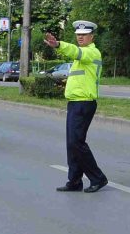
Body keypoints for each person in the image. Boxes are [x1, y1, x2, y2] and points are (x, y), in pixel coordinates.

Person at [44, 20, 109, 193]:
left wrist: (58, 44)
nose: (80, 37)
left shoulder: (92, 52)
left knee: (76, 143)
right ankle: (74, 181)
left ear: (91, 37)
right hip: (75, 102)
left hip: (84, 103)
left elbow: (75, 51)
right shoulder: (81, 56)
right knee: (72, 143)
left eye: (84, 35)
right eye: (78, 35)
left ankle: (98, 178)